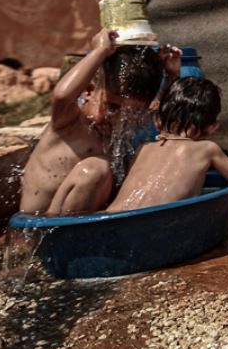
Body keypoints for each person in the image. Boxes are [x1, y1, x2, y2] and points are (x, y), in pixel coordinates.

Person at [18, 29, 179, 215]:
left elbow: (163, 115)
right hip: (39, 224)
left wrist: (170, 77)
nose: (119, 119)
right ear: (87, 91)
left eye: (132, 112)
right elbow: (62, 96)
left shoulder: (120, 130)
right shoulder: (69, 121)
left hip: (74, 219)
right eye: (112, 107)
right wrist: (100, 51)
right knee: (96, 169)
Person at [107, 77, 228, 212]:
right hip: (155, 222)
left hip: (114, 215)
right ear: (212, 127)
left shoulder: (143, 148)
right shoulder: (208, 149)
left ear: (157, 121)